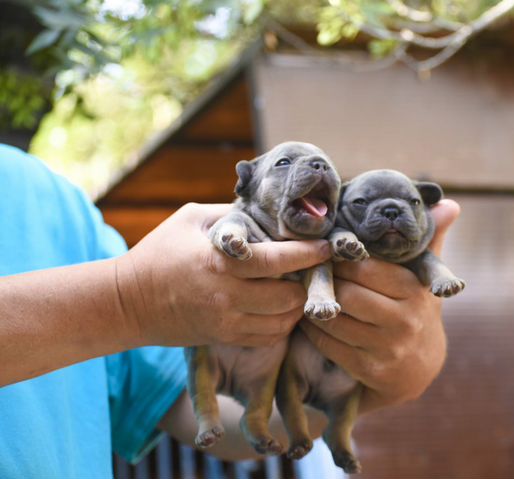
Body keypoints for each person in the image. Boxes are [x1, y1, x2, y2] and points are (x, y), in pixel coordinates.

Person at [0, 143, 459, 477]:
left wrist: (378, 375)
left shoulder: (51, 199)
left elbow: (203, 406)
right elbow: (133, 305)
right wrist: (128, 301)